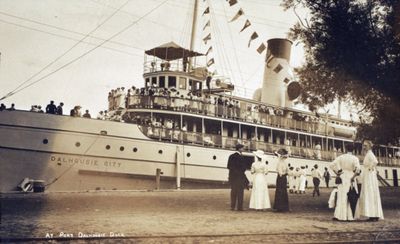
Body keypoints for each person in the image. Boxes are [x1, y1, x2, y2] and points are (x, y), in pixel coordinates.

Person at [329, 144, 360, 221]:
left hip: (342, 176)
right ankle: (350, 216)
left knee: (341, 196)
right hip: (350, 176)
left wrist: (337, 173)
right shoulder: (355, 158)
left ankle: (339, 215)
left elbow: (331, 165)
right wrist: (353, 177)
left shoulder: (341, 157)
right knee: (350, 195)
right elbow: (358, 170)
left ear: (345, 149)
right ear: (353, 150)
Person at [355, 140, 384, 221]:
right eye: (363, 145)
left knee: (370, 193)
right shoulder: (368, 154)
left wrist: (370, 168)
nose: (364, 147)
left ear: (370, 146)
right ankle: (373, 215)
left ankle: (373, 215)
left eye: (366, 145)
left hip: (369, 176)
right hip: (368, 176)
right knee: (370, 193)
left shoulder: (370, 153)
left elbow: (375, 161)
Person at [227, 142, 248, 211]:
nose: (243, 149)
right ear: (239, 149)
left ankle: (232, 206)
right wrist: (240, 172)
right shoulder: (241, 157)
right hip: (239, 177)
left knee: (233, 192)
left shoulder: (231, 156)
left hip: (233, 177)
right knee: (240, 192)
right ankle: (239, 207)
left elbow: (229, 166)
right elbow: (243, 167)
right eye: (242, 148)